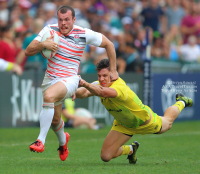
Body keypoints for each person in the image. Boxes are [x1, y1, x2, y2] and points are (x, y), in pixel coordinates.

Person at [25, 5, 118, 161]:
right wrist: (43, 45)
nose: (63, 23)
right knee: (55, 120)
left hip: (70, 79)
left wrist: (113, 70)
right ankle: (63, 142)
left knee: (49, 96)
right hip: (50, 78)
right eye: (60, 20)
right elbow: (28, 51)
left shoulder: (83, 33)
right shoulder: (49, 30)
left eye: (67, 20)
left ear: (74, 19)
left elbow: (109, 44)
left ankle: (40, 140)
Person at [74, 58, 193, 164]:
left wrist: (84, 83)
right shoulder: (99, 84)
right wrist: (69, 92)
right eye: (99, 76)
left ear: (113, 73)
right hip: (123, 124)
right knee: (105, 156)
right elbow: (84, 92)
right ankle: (131, 150)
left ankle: (181, 101)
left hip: (144, 122)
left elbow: (102, 92)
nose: (101, 79)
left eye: (105, 76)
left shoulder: (119, 87)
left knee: (168, 122)